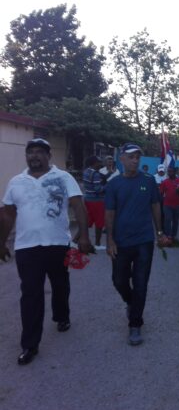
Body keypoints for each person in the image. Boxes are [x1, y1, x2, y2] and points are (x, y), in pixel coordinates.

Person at [0, 138, 93, 365]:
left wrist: (84, 235)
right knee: (31, 294)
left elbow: (78, 205)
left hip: (58, 243)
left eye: (40, 152)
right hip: (26, 247)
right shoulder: (16, 182)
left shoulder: (63, 177)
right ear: (26, 156)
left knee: (60, 284)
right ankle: (30, 345)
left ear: (49, 156)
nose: (34, 156)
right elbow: (8, 214)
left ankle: (62, 316)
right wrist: (1, 242)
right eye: (30, 152)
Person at [105, 143, 166, 346]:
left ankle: (135, 324)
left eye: (137, 157)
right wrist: (110, 239)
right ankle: (131, 302)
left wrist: (159, 232)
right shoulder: (113, 184)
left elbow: (155, 205)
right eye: (131, 157)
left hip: (144, 241)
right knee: (119, 281)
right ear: (121, 159)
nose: (135, 160)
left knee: (141, 283)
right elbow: (110, 213)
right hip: (121, 242)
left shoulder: (148, 181)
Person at [82, 155, 107, 249]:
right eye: (99, 162)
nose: (100, 163)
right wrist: (107, 186)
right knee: (99, 223)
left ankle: (75, 240)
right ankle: (97, 244)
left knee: (87, 221)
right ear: (94, 163)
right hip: (96, 201)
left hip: (88, 198)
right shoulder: (96, 174)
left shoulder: (86, 171)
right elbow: (98, 189)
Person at [159, 166, 179, 245]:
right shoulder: (165, 182)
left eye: (171, 171)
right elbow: (160, 193)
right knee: (167, 220)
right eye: (169, 171)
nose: (170, 173)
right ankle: (168, 236)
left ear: (175, 172)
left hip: (178, 205)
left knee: (176, 221)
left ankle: (174, 235)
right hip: (167, 205)